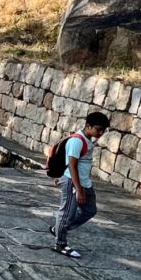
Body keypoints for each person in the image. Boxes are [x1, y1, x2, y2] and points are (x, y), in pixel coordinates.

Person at [51, 111, 110, 259]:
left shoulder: (89, 139)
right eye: (98, 129)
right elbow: (72, 165)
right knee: (66, 213)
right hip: (74, 182)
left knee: (90, 210)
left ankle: (59, 229)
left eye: (103, 130)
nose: (101, 133)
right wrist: (78, 189)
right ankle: (60, 243)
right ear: (88, 126)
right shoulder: (77, 141)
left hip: (84, 182)